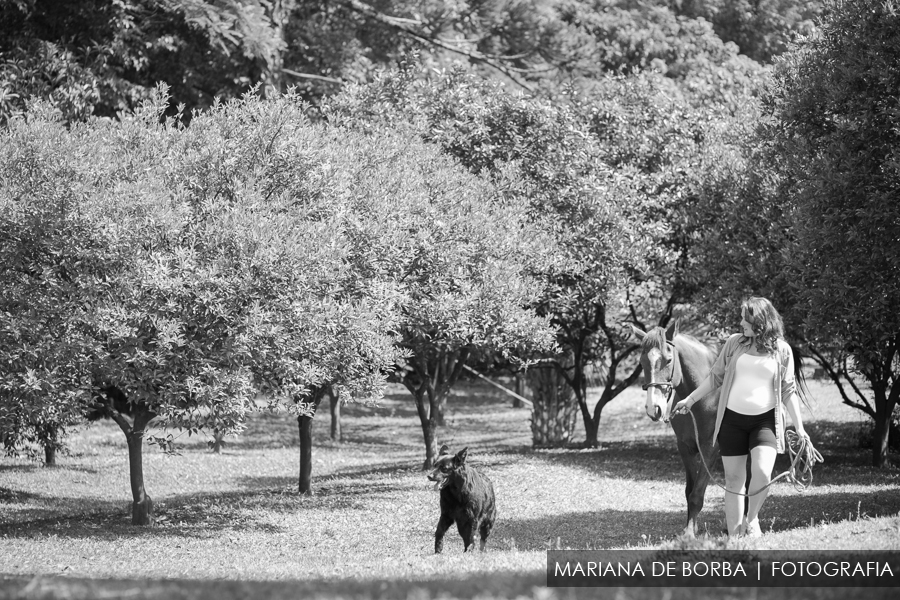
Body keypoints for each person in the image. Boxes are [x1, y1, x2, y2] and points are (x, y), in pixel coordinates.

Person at [672, 297, 809, 538]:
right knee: (734, 481)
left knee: (763, 472)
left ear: (761, 321)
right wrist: (690, 400)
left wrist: (799, 427)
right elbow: (715, 377)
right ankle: (734, 537)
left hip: (764, 421)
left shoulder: (782, 350)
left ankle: (752, 518)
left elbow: (788, 390)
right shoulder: (735, 343)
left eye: (745, 318)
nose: (740, 322)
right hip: (732, 421)